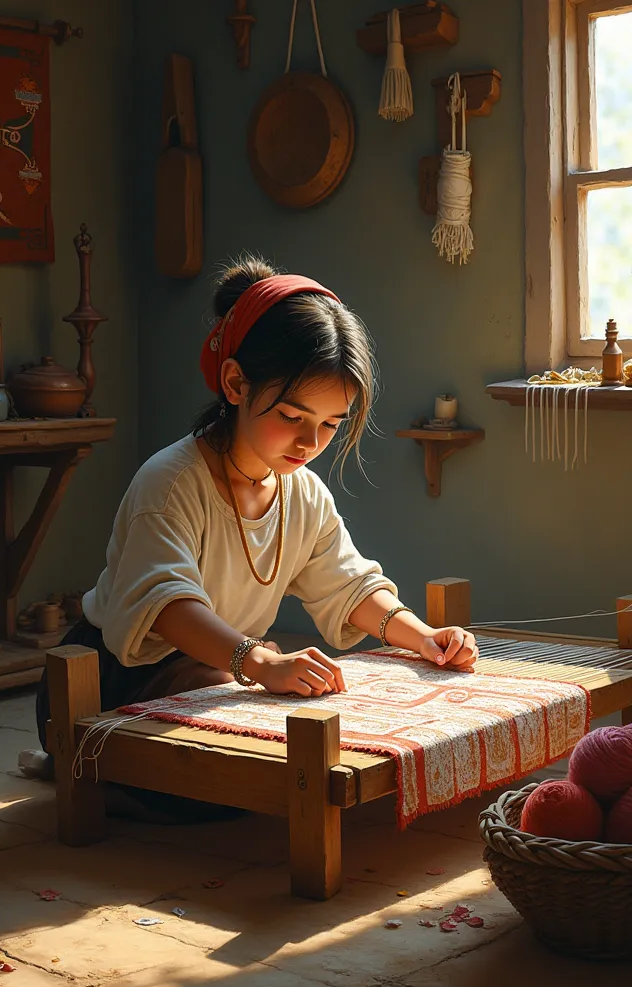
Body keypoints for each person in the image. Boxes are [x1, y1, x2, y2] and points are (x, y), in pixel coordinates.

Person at [33, 254, 477, 774]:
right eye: (292, 416)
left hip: (219, 671)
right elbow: (167, 605)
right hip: (115, 682)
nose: (310, 442)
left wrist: (422, 637)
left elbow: (348, 586)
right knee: (254, 764)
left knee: (280, 753)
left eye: (331, 423)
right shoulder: (172, 481)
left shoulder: (302, 493)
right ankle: (82, 767)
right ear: (236, 384)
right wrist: (261, 662)